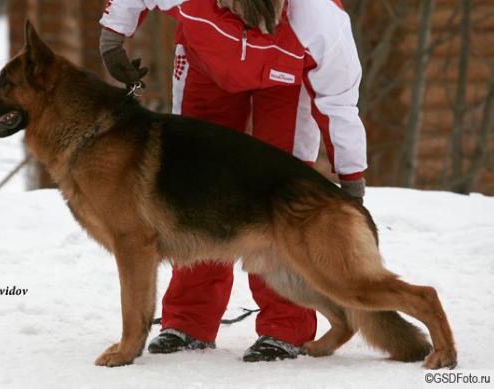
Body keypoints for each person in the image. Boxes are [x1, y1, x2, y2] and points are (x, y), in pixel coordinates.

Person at [99, 0, 367, 362]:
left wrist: (351, 177)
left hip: (285, 79)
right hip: (206, 64)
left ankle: (285, 325)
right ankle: (188, 321)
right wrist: (112, 36)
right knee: (193, 185)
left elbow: (338, 105)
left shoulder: (320, 19)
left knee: (280, 194)